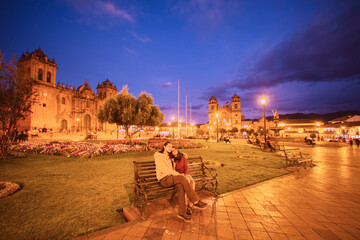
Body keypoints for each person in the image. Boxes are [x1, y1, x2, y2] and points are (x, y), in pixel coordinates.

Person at [154, 142, 207, 222]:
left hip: (171, 178)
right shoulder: (159, 156)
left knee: (181, 186)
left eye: (171, 147)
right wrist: (178, 174)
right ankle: (195, 200)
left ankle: (182, 213)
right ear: (164, 147)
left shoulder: (169, 156)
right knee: (182, 178)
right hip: (163, 179)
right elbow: (163, 169)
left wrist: (183, 155)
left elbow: (178, 158)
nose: (170, 148)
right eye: (168, 146)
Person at [170, 148, 195, 215]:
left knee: (192, 182)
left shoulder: (183, 156)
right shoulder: (171, 159)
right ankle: (187, 205)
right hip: (178, 176)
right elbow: (172, 171)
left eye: (174, 149)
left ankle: (190, 204)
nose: (174, 151)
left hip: (185, 173)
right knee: (187, 183)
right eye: (172, 151)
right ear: (171, 153)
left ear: (177, 150)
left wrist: (186, 174)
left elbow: (186, 167)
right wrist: (173, 163)